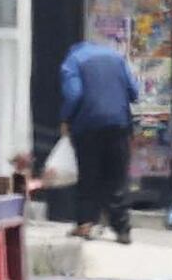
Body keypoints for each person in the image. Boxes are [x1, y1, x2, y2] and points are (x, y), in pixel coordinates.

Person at [54, 29, 146, 241]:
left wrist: (66, 118)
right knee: (117, 176)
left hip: (88, 126)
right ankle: (122, 229)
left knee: (89, 175)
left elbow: (74, 93)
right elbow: (134, 91)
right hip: (119, 124)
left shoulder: (72, 60)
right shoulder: (116, 58)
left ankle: (85, 224)